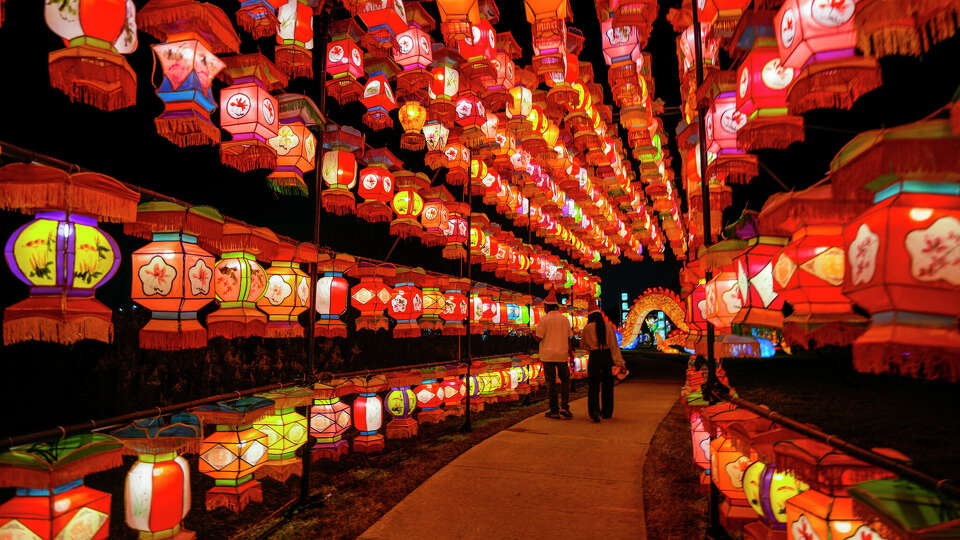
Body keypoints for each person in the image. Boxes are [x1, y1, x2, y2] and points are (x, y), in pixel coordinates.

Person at [582, 306, 626, 423]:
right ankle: (607, 412)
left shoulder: (587, 328)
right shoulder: (608, 327)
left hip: (594, 357)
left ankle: (594, 412)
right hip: (606, 357)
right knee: (607, 385)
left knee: (593, 386)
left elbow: (583, 346)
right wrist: (619, 362)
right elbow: (613, 346)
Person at [534, 289, 573, 419]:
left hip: (548, 356)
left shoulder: (544, 319)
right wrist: (571, 353)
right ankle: (565, 407)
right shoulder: (565, 319)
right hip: (562, 355)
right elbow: (569, 338)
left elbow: (539, 338)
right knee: (565, 381)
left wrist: (531, 334)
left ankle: (554, 410)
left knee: (551, 383)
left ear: (547, 306)